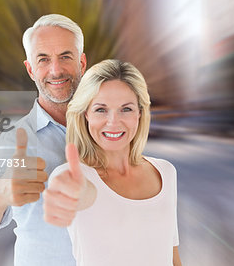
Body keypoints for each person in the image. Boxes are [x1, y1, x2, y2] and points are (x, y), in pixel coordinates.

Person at [0, 14, 87, 266]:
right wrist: (0, 192)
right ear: (30, 69)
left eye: (65, 57)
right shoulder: (17, 138)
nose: (55, 70)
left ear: (82, 62)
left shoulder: (110, 127)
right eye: (43, 59)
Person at [43, 59, 183, 266]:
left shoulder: (165, 172)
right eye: (101, 109)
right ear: (85, 114)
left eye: (126, 109)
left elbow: (172, 258)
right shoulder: (73, 178)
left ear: (140, 113)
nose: (113, 122)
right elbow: (73, 196)